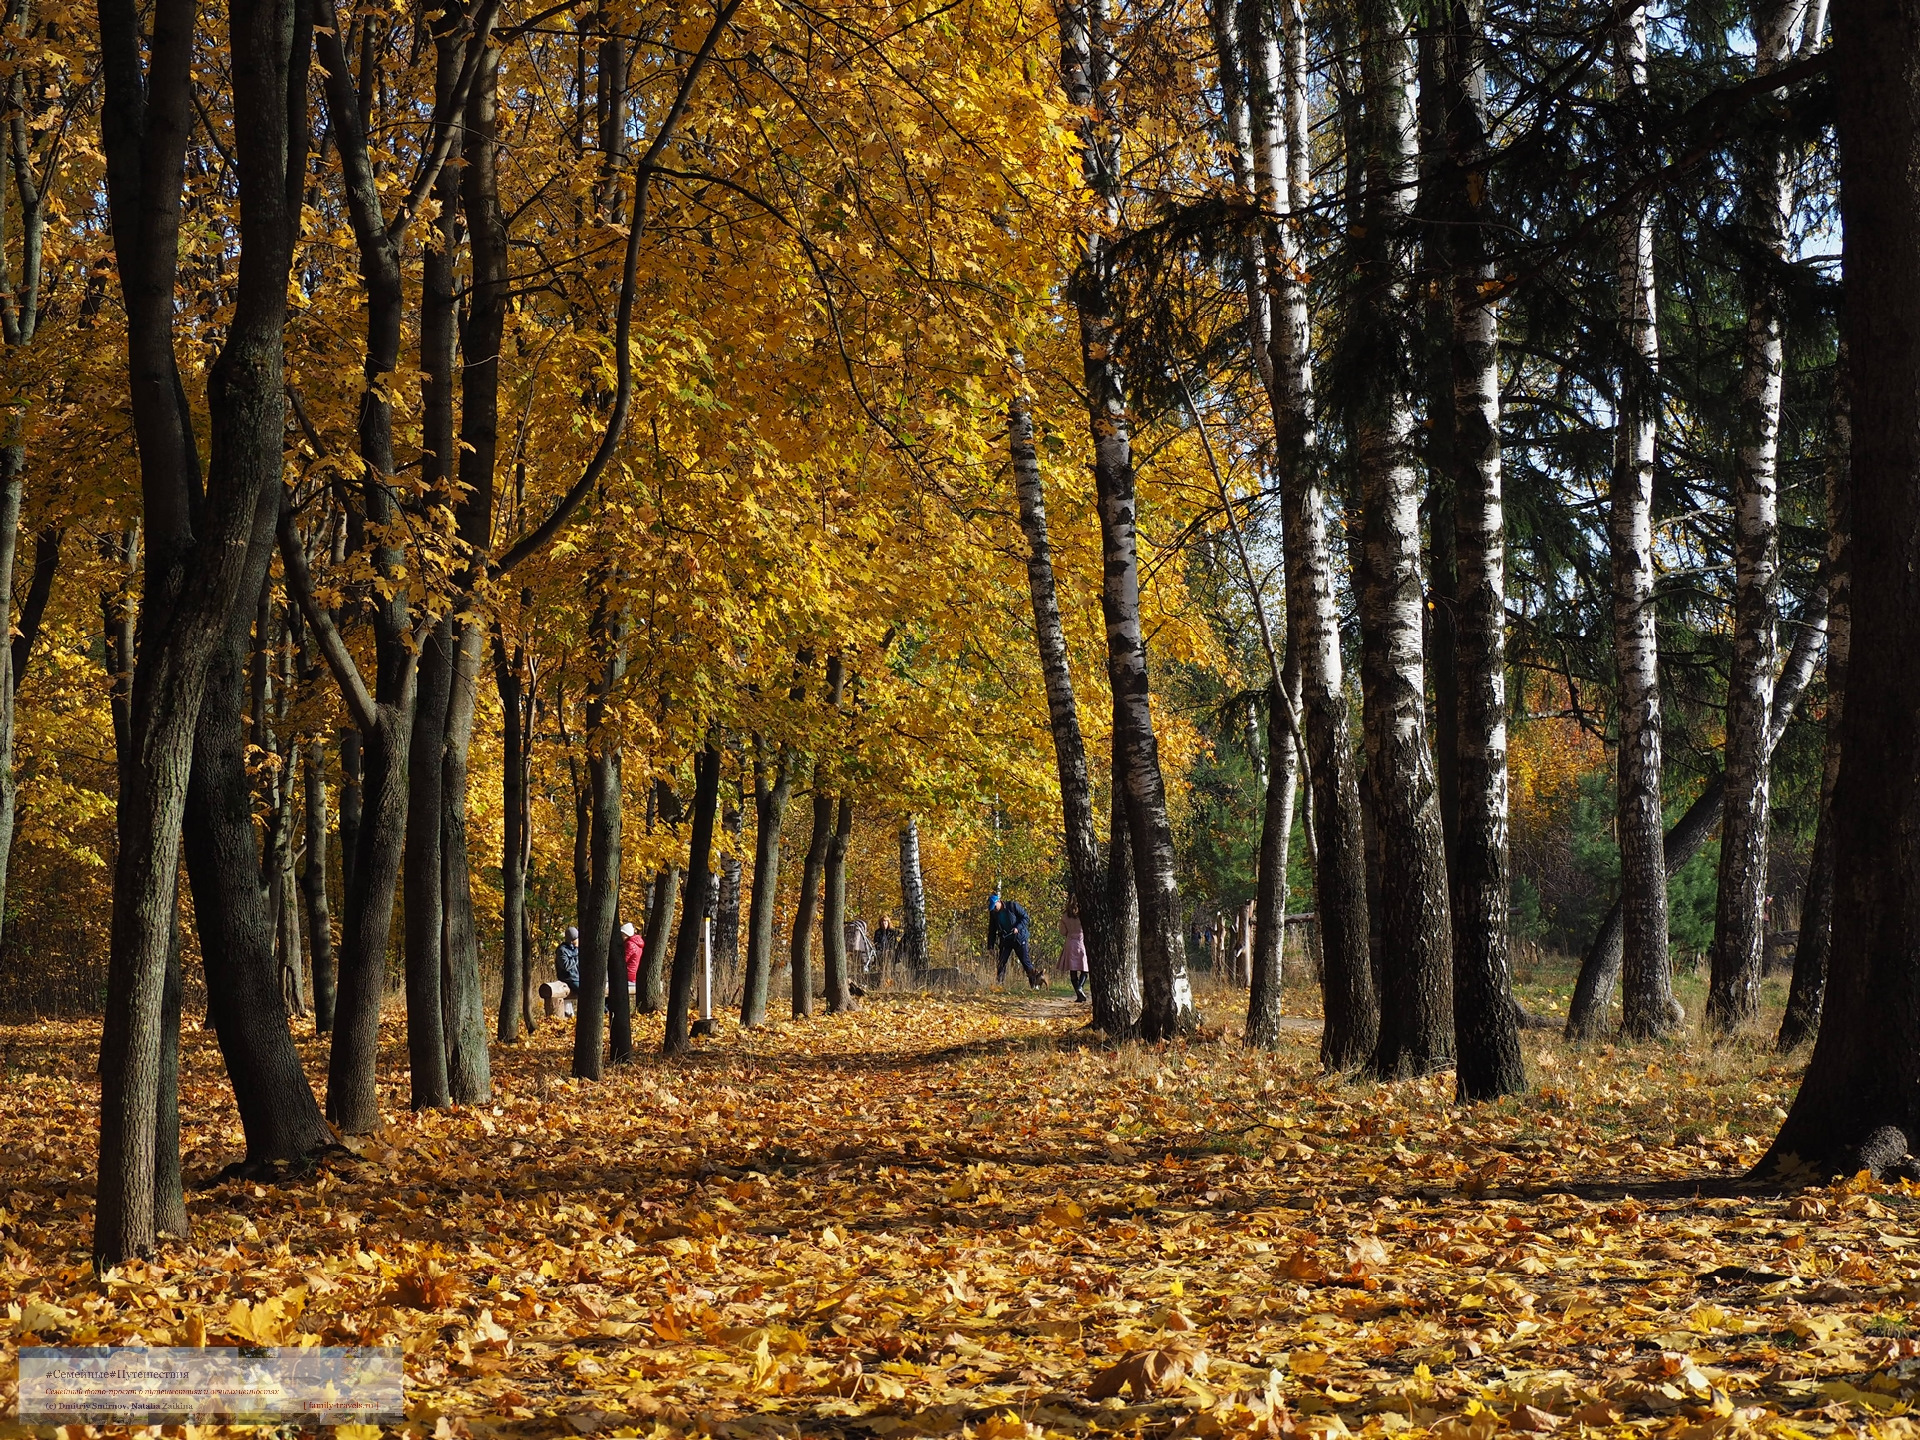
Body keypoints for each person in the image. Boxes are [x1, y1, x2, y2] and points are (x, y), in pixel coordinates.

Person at [984, 892, 1040, 989]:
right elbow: (992, 930)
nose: (994, 909)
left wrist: (1017, 928)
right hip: (1006, 940)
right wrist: (990, 946)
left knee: (1025, 962)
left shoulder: (1012, 906)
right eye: (992, 907)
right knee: (1001, 962)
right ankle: (999, 985)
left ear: (999, 901)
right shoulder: (993, 914)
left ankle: (1034, 984)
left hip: (1019, 938)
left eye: (995, 906)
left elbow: (1025, 918)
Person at [1060, 896, 1088, 1003]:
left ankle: (1078, 993)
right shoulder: (1084, 915)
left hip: (1070, 942)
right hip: (1082, 942)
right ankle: (1080, 987)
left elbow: (1063, 932)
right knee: (1085, 969)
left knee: (1073, 969)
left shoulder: (1065, 916)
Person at [555, 926, 581, 1018]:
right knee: (585, 992)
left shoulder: (576, 948)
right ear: (572, 939)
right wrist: (577, 956)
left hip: (577, 977)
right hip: (568, 978)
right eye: (576, 938)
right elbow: (566, 966)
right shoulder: (562, 950)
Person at [622, 921, 644, 990]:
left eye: (622, 934)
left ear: (626, 934)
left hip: (629, 974)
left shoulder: (629, 944)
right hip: (635, 973)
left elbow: (623, 960)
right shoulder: (637, 943)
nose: (621, 936)